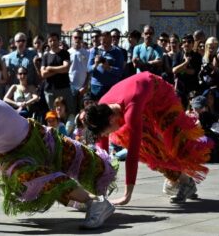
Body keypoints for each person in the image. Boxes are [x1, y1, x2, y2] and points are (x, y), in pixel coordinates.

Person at [0, 98, 117, 229]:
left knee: (96, 167)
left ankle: (87, 199)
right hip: (12, 158)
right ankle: (94, 203)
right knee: (33, 178)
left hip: (39, 140)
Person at [82, 72, 211, 205]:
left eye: (105, 132)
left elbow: (132, 154)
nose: (105, 136)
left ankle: (184, 181)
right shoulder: (101, 110)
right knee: (149, 149)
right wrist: (98, 189)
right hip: (138, 98)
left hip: (159, 95)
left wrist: (127, 196)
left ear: (111, 119)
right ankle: (182, 179)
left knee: (173, 142)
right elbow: (103, 156)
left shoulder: (131, 112)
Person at [41, 33, 73, 113]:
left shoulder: (65, 53)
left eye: (54, 40)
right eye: (50, 41)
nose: (53, 42)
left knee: (67, 113)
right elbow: (43, 74)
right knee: (53, 114)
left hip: (64, 88)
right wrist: (59, 69)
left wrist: (50, 68)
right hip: (50, 90)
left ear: (58, 41)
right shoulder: (45, 56)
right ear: (48, 43)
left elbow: (66, 68)